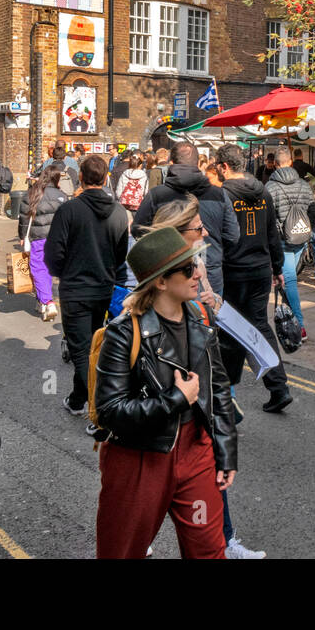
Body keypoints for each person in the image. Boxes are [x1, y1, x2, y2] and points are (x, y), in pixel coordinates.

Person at [93, 226, 236, 559]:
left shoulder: (201, 318)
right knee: (122, 551)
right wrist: (175, 399)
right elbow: (110, 410)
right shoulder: (123, 334)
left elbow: (219, 389)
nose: (198, 273)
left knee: (209, 551)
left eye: (197, 264)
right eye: (187, 269)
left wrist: (226, 452)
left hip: (195, 450)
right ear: (160, 282)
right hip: (139, 458)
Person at [146, 198, 264, 559]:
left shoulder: (197, 264)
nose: (206, 232)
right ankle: (141, 533)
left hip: (198, 402)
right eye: (198, 228)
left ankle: (225, 540)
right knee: (151, 488)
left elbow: (205, 305)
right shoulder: (147, 283)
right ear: (176, 235)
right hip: (159, 415)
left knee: (209, 475)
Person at [44, 154, 130, 419]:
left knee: (81, 350)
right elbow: (120, 253)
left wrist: (64, 273)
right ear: (106, 178)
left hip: (76, 288)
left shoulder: (69, 210)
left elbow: (53, 253)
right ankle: (78, 398)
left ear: (80, 177)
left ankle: (99, 405)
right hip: (103, 287)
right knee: (91, 345)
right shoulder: (119, 212)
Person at [215, 143, 292, 413]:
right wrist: (278, 267)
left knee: (230, 329)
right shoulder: (263, 192)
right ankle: (279, 387)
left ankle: (225, 393)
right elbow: (273, 234)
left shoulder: (222, 195)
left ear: (224, 167)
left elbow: (221, 237)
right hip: (260, 269)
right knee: (258, 326)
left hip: (233, 271)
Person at [133, 141, 238, 298]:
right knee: (207, 318)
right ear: (197, 164)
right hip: (209, 272)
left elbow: (138, 231)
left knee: (171, 321)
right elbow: (233, 236)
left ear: (172, 163)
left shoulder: (157, 195)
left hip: (170, 276)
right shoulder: (219, 194)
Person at [265, 147, 315, 341]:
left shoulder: (270, 187)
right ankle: (288, 318)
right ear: (291, 163)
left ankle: (300, 327)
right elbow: (313, 212)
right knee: (287, 279)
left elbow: (267, 219)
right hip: (300, 237)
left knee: (289, 281)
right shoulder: (304, 184)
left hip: (281, 241)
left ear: (276, 164)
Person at [20, 165, 68, 322]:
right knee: (48, 269)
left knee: (39, 269)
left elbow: (24, 218)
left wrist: (22, 236)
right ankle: (42, 301)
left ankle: (48, 301)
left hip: (39, 238)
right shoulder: (62, 196)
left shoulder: (32, 194)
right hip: (59, 239)